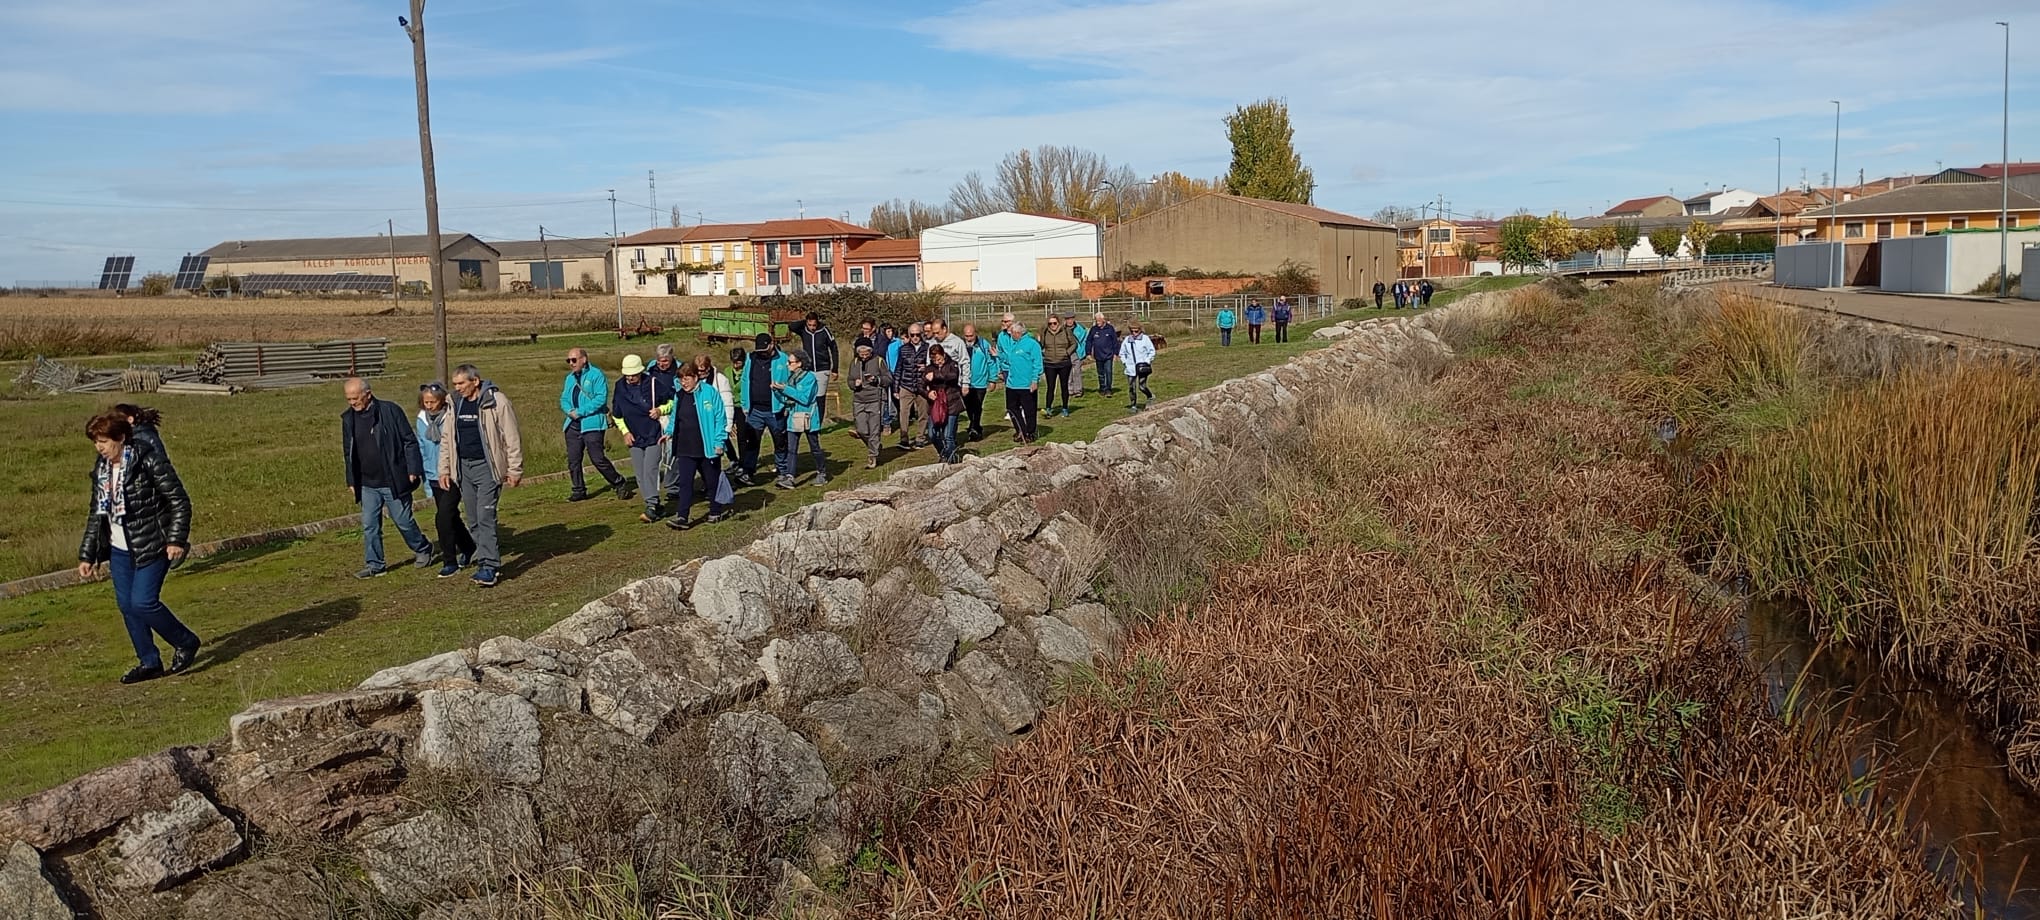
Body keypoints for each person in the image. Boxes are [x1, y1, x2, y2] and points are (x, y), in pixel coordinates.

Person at [77, 410, 202, 684]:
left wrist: (176, 539)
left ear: (120, 438)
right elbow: (96, 514)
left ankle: (186, 641)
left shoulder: (148, 459)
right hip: (120, 547)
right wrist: (87, 554)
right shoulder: (102, 469)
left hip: (153, 543)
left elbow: (179, 500)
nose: (99, 448)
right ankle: (149, 661)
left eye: (104, 442)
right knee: (127, 605)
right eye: (95, 442)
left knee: (143, 602)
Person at [437, 364, 522, 588]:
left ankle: (489, 566)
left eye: (461, 383)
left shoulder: (496, 401)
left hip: (488, 467)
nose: (458, 388)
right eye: (455, 384)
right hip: (464, 469)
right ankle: (483, 555)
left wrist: (514, 469)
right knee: (473, 518)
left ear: (475, 381)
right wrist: (444, 469)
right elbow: (447, 439)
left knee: (485, 516)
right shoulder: (454, 404)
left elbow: (511, 436)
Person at [341, 377, 434, 578]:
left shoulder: (390, 411)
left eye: (355, 398)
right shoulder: (348, 418)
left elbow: (409, 441)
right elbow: (348, 451)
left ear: (368, 394)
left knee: (403, 521)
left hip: (393, 479)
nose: (352, 403)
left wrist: (413, 469)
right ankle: (375, 564)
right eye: (348, 399)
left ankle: (423, 547)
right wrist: (351, 479)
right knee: (369, 524)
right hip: (366, 483)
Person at [663, 363, 734, 529]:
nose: (683, 383)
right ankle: (682, 517)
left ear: (696, 377)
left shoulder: (709, 392)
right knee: (685, 483)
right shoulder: (679, 395)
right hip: (685, 446)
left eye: (687, 379)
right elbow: (675, 417)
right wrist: (669, 432)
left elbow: (720, 418)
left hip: (707, 447)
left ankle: (716, 511)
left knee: (711, 481)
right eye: (681, 379)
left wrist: (719, 442)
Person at [415, 382, 475, 577]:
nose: (429, 405)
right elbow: (422, 450)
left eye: (433, 402)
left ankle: (450, 561)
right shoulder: (421, 420)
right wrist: (426, 480)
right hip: (433, 476)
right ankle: (469, 548)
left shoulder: (451, 416)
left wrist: (449, 471)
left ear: (441, 401)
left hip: (451, 474)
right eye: (426, 402)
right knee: (451, 517)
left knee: (442, 518)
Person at [559, 347, 630, 503]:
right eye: (568, 360)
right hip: (573, 423)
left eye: (574, 360)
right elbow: (563, 398)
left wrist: (580, 412)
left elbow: (600, 399)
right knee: (573, 459)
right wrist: (569, 411)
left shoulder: (596, 375)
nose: (571, 363)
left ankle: (618, 481)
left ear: (584, 359)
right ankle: (578, 489)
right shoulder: (569, 378)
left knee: (597, 458)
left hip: (591, 422)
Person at [611, 354, 672, 523]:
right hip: (634, 436)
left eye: (633, 374)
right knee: (639, 473)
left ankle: (651, 506)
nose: (630, 378)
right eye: (627, 374)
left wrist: (661, 410)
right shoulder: (620, 387)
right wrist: (625, 432)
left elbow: (673, 401)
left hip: (654, 433)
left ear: (640, 372)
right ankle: (654, 505)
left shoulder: (653, 384)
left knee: (650, 469)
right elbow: (617, 414)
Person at [737, 333, 794, 489]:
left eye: (764, 348)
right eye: (759, 349)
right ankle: (748, 472)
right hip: (754, 409)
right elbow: (745, 380)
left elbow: (791, 381)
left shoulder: (783, 359)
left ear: (771, 344)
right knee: (752, 442)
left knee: (780, 441)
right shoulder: (750, 358)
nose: (761, 352)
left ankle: (783, 471)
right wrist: (744, 404)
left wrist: (787, 404)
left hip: (776, 409)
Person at [777, 351, 827, 486]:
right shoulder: (791, 378)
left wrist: (785, 389)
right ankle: (789, 477)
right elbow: (789, 398)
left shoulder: (810, 378)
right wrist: (778, 390)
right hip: (793, 417)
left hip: (808, 417)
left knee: (814, 447)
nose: (787, 365)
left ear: (799, 364)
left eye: (790, 362)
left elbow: (804, 398)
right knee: (791, 449)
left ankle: (822, 472)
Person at [847, 337, 892, 469]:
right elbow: (849, 380)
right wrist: (854, 384)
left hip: (875, 399)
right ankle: (875, 446)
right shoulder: (854, 362)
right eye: (862, 354)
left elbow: (888, 378)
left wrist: (876, 380)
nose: (865, 356)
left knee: (874, 430)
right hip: (858, 400)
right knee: (861, 430)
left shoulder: (879, 361)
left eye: (867, 354)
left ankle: (872, 456)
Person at [999, 319, 1044, 443]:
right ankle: (1020, 430)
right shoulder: (1013, 344)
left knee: (1029, 410)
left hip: (1026, 384)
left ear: (1019, 333)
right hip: (1012, 384)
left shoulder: (1032, 344)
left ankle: (1029, 432)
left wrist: (1034, 380)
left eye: (1012, 332)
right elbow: (1010, 359)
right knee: (1012, 408)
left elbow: (1038, 363)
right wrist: (999, 355)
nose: (1010, 335)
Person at [793, 312, 841, 424]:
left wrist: (835, 368)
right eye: (809, 325)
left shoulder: (824, 331)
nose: (812, 328)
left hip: (822, 368)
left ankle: (818, 423)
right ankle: (807, 420)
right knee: (807, 396)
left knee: (820, 397)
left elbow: (834, 348)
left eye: (814, 325)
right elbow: (792, 326)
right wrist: (804, 322)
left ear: (817, 323)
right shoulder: (803, 330)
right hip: (808, 369)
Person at [892, 323, 932, 450]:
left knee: (923, 413)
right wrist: (896, 388)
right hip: (906, 385)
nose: (915, 337)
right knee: (904, 413)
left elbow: (935, 365)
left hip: (922, 385)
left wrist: (926, 368)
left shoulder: (928, 348)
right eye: (912, 335)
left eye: (917, 334)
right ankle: (904, 439)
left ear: (922, 334)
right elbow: (898, 368)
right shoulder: (903, 349)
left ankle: (920, 438)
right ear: (908, 335)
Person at [924, 343, 964, 464]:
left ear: (943, 354)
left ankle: (951, 460)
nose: (937, 362)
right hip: (936, 405)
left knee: (948, 436)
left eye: (939, 359)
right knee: (932, 434)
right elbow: (919, 385)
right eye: (934, 360)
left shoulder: (952, 365)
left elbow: (953, 376)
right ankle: (944, 453)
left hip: (952, 403)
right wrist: (928, 393)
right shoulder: (929, 368)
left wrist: (936, 375)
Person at [726, 347, 756, 485]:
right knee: (724, 433)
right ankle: (733, 459)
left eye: (738, 362)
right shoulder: (727, 371)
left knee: (742, 436)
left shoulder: (748, 371)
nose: (735, 364)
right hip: (730, 406)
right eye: (733, 362)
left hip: (743, 407)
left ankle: (743, 464)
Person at [961, 324, 996, 441]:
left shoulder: (983, 345)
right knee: (968, 407)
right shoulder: (961, 345)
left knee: (977, 406)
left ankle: (975, 428)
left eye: (971, 335)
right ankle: (974, 425)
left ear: (975, 333)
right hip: (965, 382)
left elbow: (991, 362)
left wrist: (992, 379)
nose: (969, 338)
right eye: (966, 336)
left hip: (980, 382)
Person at [1039, 314, 1077, 417]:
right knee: (1050, 387)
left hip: (1064, 363)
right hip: (1049, 363)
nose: (1052, 325)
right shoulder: (1045, 332)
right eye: (1050, 323)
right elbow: (1041, 345)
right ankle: (1048, 408)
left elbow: (1074, 344)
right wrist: (1043, 352)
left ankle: (1065, 408)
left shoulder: (1066, 331)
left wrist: (1067, 353)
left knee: (1064, 386)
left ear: (1058, 323)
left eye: (1054, 323)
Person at [114, 404, 172, 468]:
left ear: (130, 420)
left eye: (117, 422)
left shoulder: (143, 438)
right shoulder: (130, 437)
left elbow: (160, 464)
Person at [1120, 321, 1157, 413]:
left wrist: (1147, 361)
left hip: (1142, 367)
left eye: (1136, 331)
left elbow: (1152, 351)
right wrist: (1125, 362)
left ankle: (1150, 396)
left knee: (1142, 386)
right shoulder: (1127, 340)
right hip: (1130, 368)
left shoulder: (1145, 339)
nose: (1134, 333)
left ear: (1140, 330)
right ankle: (1133, 405)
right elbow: (1122, 353)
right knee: (1132, 387)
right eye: (1132, 331)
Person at [1088, 313, 1119, 396]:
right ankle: (1102, 388)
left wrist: (1116, 353)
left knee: (1108, 372)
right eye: (1096, 320)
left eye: (1099, 321)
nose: (1097, 322)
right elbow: (1089, 341)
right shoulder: (1093, 329)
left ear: (1103, 320)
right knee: (1100, 373)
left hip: (1108, 355)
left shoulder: (1110, 329)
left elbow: (1115, 341)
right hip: (1098, 355)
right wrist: (1088, 353)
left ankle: (1108, 389)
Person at [1065, 312, 1088, 398]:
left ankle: (1078, 390)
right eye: (1067, 319)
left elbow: (1085, 340)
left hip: (1077, 352)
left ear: (1074, 319)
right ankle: (1070, 390)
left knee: (1077, 372)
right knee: (1068, 372)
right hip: (1067, 353)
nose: (1069, 321)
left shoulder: (1080, 328)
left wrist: (1083, 352)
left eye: (1071, 319)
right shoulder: (1063, 329)